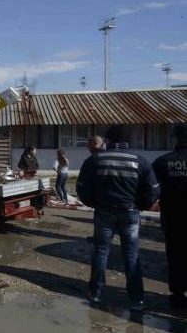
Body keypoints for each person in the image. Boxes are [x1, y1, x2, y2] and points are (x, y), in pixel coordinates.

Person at [76, 126, 160, 311]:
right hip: (130, 212)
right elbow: (153, 191)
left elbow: (81, 188)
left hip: (104, 212)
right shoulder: (140, 161)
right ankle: (136, 299)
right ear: (128, 141)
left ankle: (96, 293)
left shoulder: (95, 160)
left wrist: (93, 203)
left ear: (107, 140)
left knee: (101, 251)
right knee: (131, 254)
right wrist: (141, 205)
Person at [152, 123, 187, 309]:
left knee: (175, 256)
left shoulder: (162, 162)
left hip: (173, 217)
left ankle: (179, 294)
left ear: (176, 138)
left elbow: (151, 189)